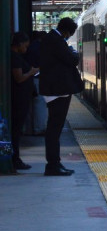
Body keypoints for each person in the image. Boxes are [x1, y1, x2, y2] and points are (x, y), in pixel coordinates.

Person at [39, 17, 83, 176]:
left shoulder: (51, 39)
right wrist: (73, 53)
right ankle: (52, 165)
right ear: (66, 31)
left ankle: (55, 163)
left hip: (54, 90)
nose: (68, 37)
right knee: (54, 130)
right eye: (69, 34)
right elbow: (72, 59)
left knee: (54, 129)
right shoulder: (55, 41)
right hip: (57, 91)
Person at [9, 32, 38, 171]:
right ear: (19, 44)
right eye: (25, 46)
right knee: (16, 130)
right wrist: (31, 72)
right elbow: (19, 78)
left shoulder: (17, 57)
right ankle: (15, 159)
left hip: (21, 98)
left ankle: (15, 158)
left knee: (17, 130)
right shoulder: (15, 58)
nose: (26, 49)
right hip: (18, 100)